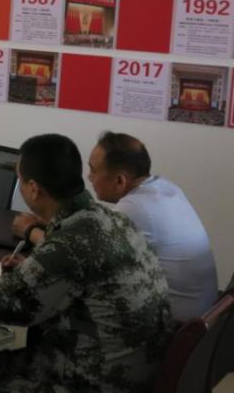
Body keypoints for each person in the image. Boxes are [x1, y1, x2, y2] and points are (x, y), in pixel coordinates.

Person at [0, 134, 171, 393]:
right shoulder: (109, 221)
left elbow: (3, 307)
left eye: (20, 180)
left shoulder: (70, 241)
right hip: (139, 389)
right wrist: (34, 270)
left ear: (33, 188)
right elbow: (77, 278)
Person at [84, 132, 218, 321]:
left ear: (120, 180)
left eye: (93, 170)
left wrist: (39, 230)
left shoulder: (134, 207)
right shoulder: (165, 187)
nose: (89, 177)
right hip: (205, 313)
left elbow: (86, 260)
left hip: (180, 326)